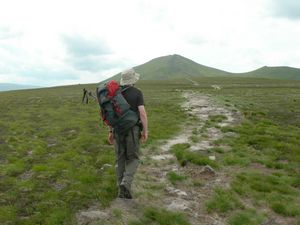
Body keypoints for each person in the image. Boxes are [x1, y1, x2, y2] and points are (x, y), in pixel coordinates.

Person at [108, 68, 148, 199]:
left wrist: (110, 132)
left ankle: (121, 190)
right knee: (133, 158)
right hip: (132, 130)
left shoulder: (115, 93)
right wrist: (145, 131)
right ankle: (126, 183)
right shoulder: (137, 93)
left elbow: (111, 114)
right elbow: (142, 113)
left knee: (120, 159)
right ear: (133, 80)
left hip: (118, 130)